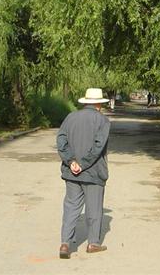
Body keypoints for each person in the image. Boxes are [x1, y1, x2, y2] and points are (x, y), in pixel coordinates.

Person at [57, 88, 110, 259]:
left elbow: (61, 141)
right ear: (99, 104)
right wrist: (83, 164)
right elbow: (98, 147)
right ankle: (93, 243)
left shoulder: (70, 117)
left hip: (71, 172)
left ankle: (65, 244)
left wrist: (71, 161)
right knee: (94, 208)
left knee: (71, 207)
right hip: (93, 172)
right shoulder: (102, 120)